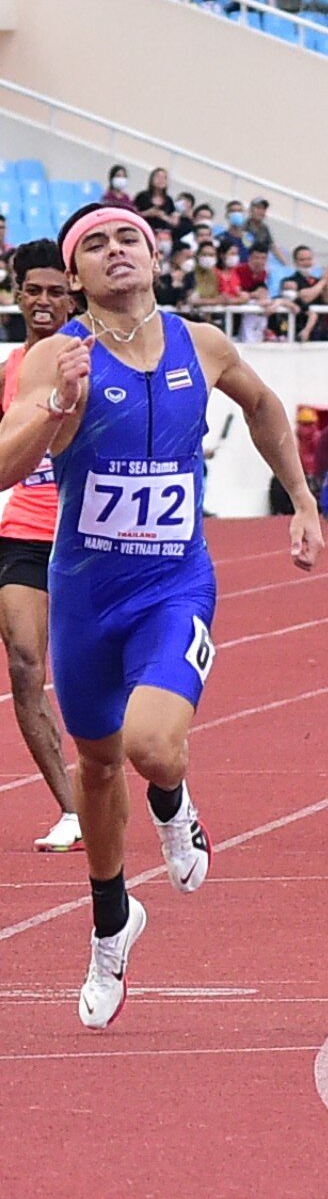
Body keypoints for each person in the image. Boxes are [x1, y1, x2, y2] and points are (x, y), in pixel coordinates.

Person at [0, 200, 323, 1028]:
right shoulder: (53, 357)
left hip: (174, 586)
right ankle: (113, 926)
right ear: (73, 276)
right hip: (84, 595)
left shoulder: (200, 344)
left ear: (154, 256)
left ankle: (174, 802)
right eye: (96, 245)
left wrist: (302, 499)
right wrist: (54, 410)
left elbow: (262, 407)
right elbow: (5, 464)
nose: (116, 252)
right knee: (99, 766)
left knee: (149, 746)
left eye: (128, 239)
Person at [1, 241, 78, 850]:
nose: (43, 301)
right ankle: (73, 808)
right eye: (34, 290)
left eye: (56, 291)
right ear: (17, 294)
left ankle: (155, 781)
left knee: (103, 677)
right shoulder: (10, 370)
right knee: (26, 666)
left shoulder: (92, 356)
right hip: (25, 529)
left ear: (72, 294)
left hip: (91, 534)